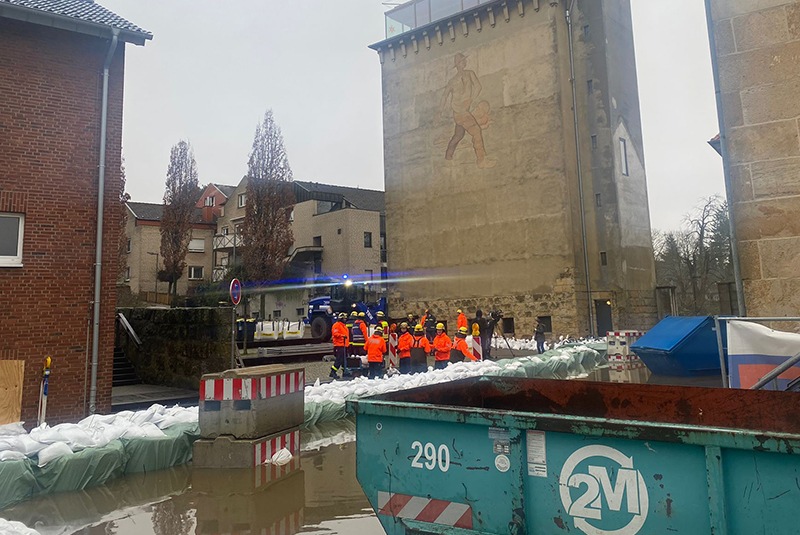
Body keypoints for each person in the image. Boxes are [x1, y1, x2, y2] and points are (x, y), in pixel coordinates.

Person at [440, 53, 495, 169]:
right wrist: (470, 100)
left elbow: (445, 96)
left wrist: (469, 101)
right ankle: (481, 160)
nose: (465, 62)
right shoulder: (464, 76)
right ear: (459, 64)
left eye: (464, 60)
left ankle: (448, 156)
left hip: (458, 112)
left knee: (458, 135)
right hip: (461, 112)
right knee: (476, 131)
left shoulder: (458, 78)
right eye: (463, 61)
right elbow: (478, 87)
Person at [329, 312, 349, 379]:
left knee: (344, 360)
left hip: (344, 345)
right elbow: (335, 334)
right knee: (339, 360)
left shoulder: (343, 326)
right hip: (339, 345)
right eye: (344, 318)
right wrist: (342, 336)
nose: (345, 320)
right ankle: (333, 371)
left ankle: (345, 372)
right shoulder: (336, 325)